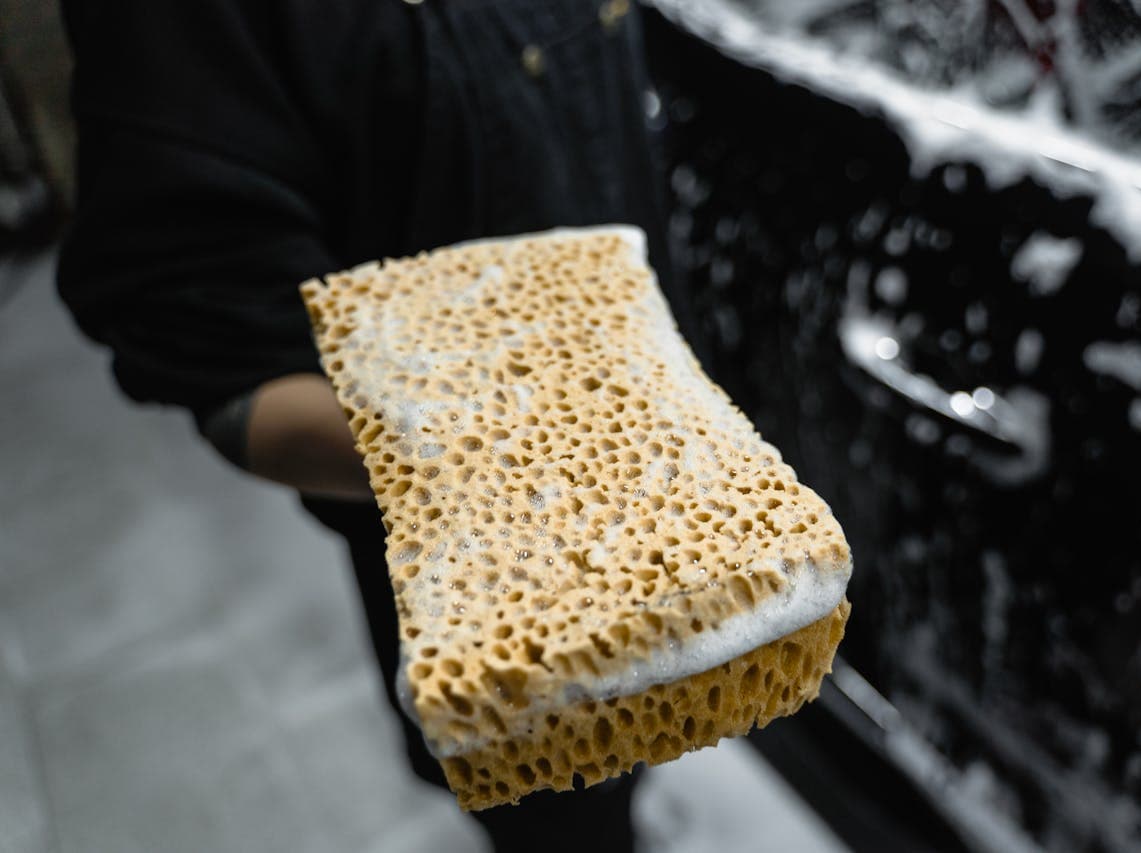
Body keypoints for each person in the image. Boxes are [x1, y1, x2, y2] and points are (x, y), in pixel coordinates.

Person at [57, 1, 689, 849]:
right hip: (485, 556)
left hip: (654, 442)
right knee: (563, 798)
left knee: (654, 720)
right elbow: (218, 353)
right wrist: (522, 457)